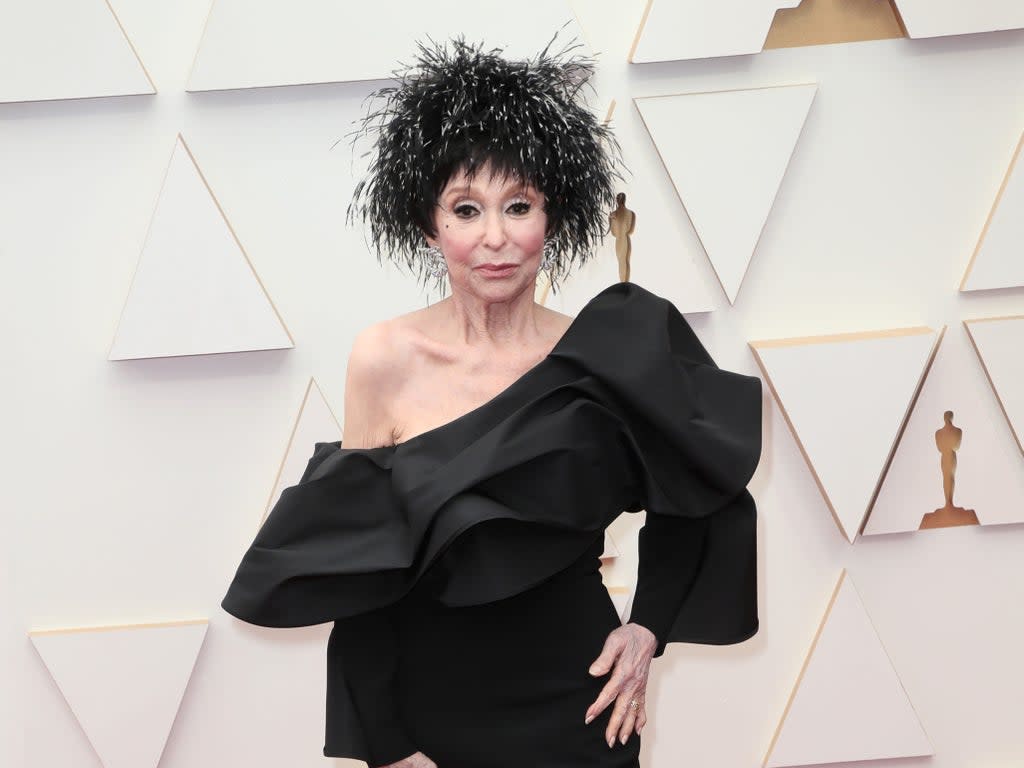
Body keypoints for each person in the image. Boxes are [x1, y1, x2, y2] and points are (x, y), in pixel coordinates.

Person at [221, 37, 763, 768]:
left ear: (553, 215)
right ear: (429, 224)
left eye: (519, 206)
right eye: (467, 210)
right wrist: (385, 748)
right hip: (431, 711)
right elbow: (363, 569)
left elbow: (705, 489)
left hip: (581, 701)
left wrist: (648, 630)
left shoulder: (607, 352)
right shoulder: (384, 359)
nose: (496, 239)